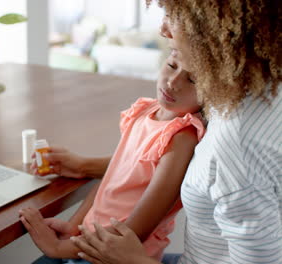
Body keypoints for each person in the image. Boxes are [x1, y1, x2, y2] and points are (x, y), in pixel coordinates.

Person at [61, 1, 282, 263]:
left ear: (215, 31)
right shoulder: (254, 88)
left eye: (175, 15)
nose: (163, 28)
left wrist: (134, 260)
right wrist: (87, 166)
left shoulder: (236, 146)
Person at [19, 50, 207, 263]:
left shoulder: (182, 139)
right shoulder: (145, 111)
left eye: (191, 80)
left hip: (114, 255)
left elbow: (131, 236)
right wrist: (75, 227)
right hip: (88, 242)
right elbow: (110, 179)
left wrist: (58, 247)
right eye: (172, 65)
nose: (173, 82)